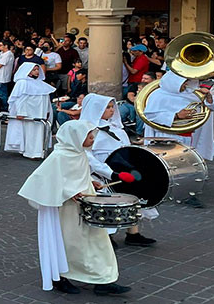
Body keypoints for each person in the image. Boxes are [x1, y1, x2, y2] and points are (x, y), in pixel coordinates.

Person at [18, 120, 131, 296]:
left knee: (99, 241)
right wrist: (69, 193)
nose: (93, 138)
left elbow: (77, 176)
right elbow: (43, 180)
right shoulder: (59, 156)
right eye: (88, 135)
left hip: (85, 207)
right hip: (67, 211)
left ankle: (103, 280)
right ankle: (61, 276)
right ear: (75, 137)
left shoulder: (80, 154)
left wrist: (91, 183)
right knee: (71, 245)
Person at [79, 94, 158, 247]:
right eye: (107, 108)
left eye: (111, 107)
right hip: (100, 175)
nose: (111, 111)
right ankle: (106, 236)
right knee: (107, 203)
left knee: (132, 199)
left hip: (123, 173)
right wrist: (108, 173)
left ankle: (132, 233)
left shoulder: (118, 129)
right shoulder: (87, 131)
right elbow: (87, 156)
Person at [143, 71, 214, 207]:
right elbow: (150, 115)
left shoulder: (192, 93)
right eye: (183, 82)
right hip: (168, 135)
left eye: (186, 82)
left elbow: (210, 108)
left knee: (190, 165)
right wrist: (176, 116)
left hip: (191, 135)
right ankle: (162, 190)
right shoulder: (158, 95)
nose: (186, 85)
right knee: (168, 166)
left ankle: (188, 193)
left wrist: (209, 99)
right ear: (173, 82)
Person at [4, 63, 55, 159]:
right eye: (34, 70)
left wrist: (48, 110)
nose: (37, 71)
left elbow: (46, 98)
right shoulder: (22, 83)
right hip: (29, 112)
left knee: (40, 131)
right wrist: (20, 112)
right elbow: (19, 99)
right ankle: (31, 152)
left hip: (41, 112)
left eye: (37, 69)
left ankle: (40, 151)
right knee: (30, 132)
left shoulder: (41, 83)